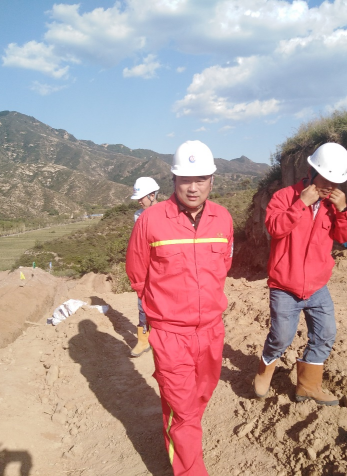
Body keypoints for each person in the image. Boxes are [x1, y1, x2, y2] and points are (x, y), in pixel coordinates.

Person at [126, 140, 233, 476]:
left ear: (212, 180)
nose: (193, 187)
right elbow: (137, 273)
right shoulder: (150, 220)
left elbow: (224, 266)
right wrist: (163, 313)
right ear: (173, 180)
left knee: (199, 398)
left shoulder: (223, 218)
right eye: (186, 179)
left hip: (212, 331)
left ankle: (182, 439)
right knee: (183, 410)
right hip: (171, 334)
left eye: (201, 179)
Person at [253, 142, 347, 406]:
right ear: (312, 172)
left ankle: (308, 387)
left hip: (317, 286)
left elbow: (344, 237)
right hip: (284, 286)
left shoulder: (333, 205)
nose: (330, 186)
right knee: (281, 337)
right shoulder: (285, 196)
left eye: (335, 181)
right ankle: (265, 369)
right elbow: (274, 228)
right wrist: (301, 204)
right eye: (325, 179)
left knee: (325, 334)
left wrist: (343, 210)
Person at [129, 176, 160, 357]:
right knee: (142, 303)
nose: (139, 201)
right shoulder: (138, 215)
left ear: (152, 195)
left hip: (162, 266)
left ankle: (159, 336)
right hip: (145, 265)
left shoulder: (167, 213)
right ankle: (143, 340)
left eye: (141, 198)